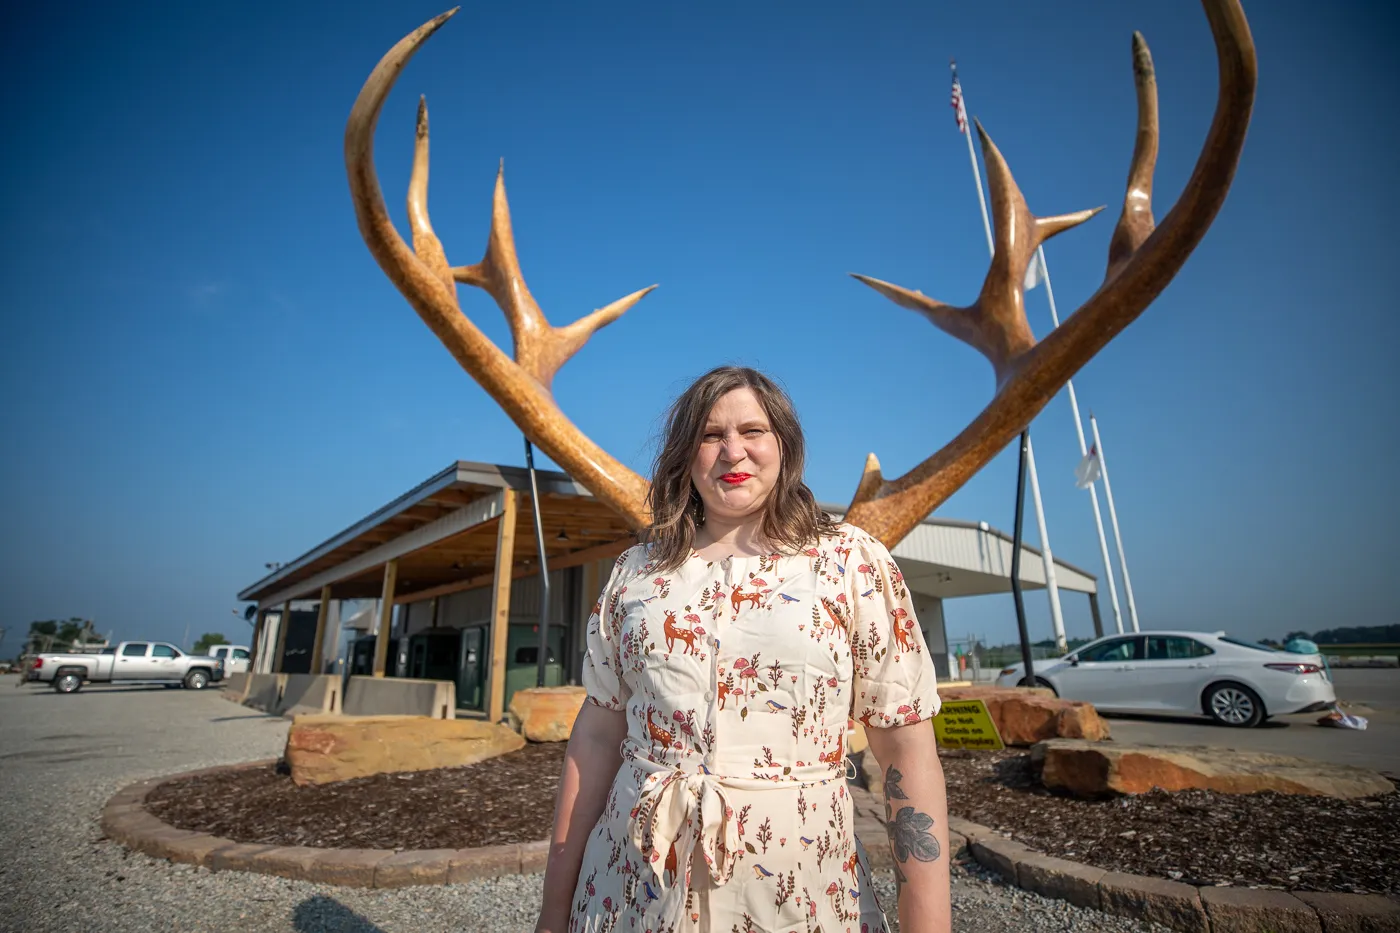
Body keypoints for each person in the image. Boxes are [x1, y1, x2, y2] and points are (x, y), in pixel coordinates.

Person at [534, 366, 951, 933]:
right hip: (633, 895)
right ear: (685, 454)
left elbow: (905, 747)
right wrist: (554, 910)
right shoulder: (635, 574)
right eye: (711, 436)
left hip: (803, 899)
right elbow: (599, 734)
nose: (734, 452)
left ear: (785, 444)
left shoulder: (851, 562)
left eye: (753, 431)